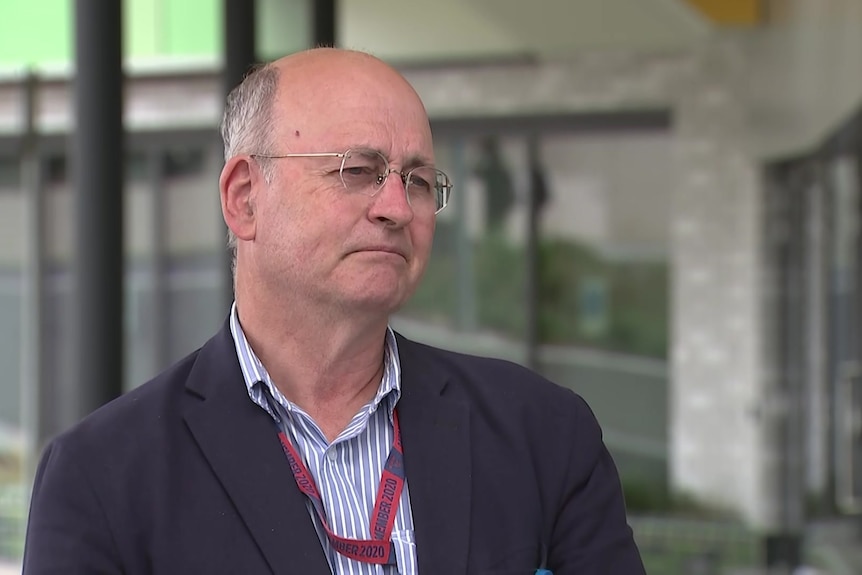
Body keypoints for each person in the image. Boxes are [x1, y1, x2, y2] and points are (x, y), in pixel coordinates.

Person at [22, 48, 645, 574]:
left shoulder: (544, 435)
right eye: (359, 171)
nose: (397, 207)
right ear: (244, 199)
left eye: (419, 180)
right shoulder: (102, 478)